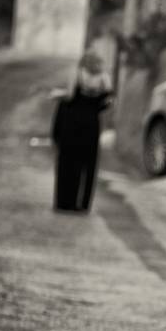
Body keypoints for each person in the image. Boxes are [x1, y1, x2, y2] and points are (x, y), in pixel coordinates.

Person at [52, 50, 112, 213]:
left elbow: (70, 95)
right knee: (88, 163)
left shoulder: (78, 73)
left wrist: (57, 95)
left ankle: (64, 202)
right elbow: (107, 101)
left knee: (68, 161)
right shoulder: (104, 78)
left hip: (72, 122)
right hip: (91, 125)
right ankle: (82, 204)